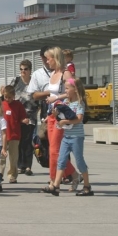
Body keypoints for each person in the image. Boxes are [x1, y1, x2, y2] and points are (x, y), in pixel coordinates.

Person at [42, 78, 94, 196]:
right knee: (61, 160)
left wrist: (64, 121)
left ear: (75, 90)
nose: (65, 91)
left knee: (79, 161)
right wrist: (56, 115)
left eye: (67, 88)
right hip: (66, 136)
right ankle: (56, 186)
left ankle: (87, 186)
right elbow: (61, 115)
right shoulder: (66, 102)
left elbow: (79, 119)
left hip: (76, 137)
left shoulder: (79, 103)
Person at [42, 47, 81, 190]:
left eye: (49, 58)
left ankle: (53, 182)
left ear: (56, 58)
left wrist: (57, 97)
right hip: (52, 114)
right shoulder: (53, 74)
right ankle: (74, 175)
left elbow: (75, 91)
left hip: (62, 116)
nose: (47, 61)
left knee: (55, 150)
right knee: (53, 149)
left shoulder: (66, 73)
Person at [12, 59, 38, 176]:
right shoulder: (16, 81)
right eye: (21, 69)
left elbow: (38, 97)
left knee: (28, 142)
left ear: (30, 70)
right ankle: (19, 165)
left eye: (25, 69)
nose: (23, 72)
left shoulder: (34, 82)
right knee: (18, 141)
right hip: (17, 116)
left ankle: (27, 166)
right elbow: (8, 93)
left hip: (30, 116)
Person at [0, 85, 28, 184]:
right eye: (6, 97)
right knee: (1, 155)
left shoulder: (18, 105)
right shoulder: (1, 105)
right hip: (3, 135)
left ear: (14, 96)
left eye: (10, 97)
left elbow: (22, 117)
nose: (8, 99)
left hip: (14, 134)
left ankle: (12, 175)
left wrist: (24, 120)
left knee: (13, 156)